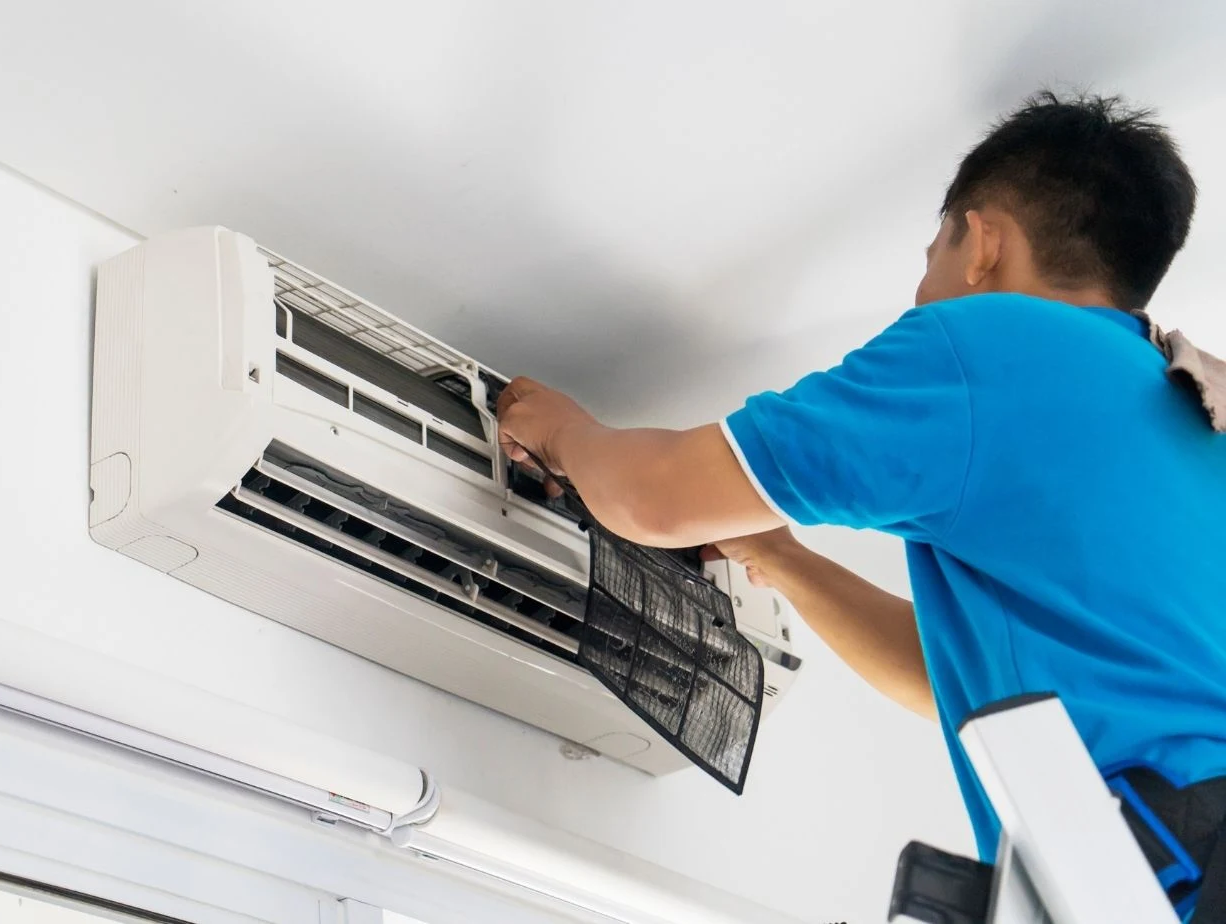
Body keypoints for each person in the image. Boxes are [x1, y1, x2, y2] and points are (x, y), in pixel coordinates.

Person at [496, 91, 1226, 919]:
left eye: (930, 259)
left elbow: (655, 498)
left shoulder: (986, 347)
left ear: (981, 243)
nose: (923, 293)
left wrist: (566, 432)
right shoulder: (1196, 417)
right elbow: (948, 682)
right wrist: (781, 558)